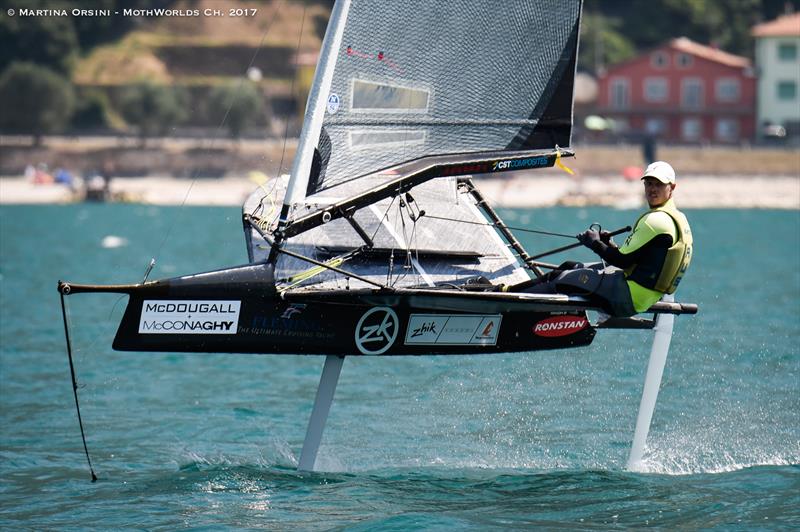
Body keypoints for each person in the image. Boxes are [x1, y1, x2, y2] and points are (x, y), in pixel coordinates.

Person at [511, 161, 693, 317]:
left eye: (658, 185)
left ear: (672, 187)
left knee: (560, 279)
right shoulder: (678, 219)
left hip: (627, 297)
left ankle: (509, 305)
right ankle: (508, 292)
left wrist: (594, 243)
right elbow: (638, 259)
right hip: (642, 295)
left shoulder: (655, 221)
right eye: (649, 184)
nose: (652, 189)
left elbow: (621, 261)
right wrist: (608, 244)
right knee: (569, 266)